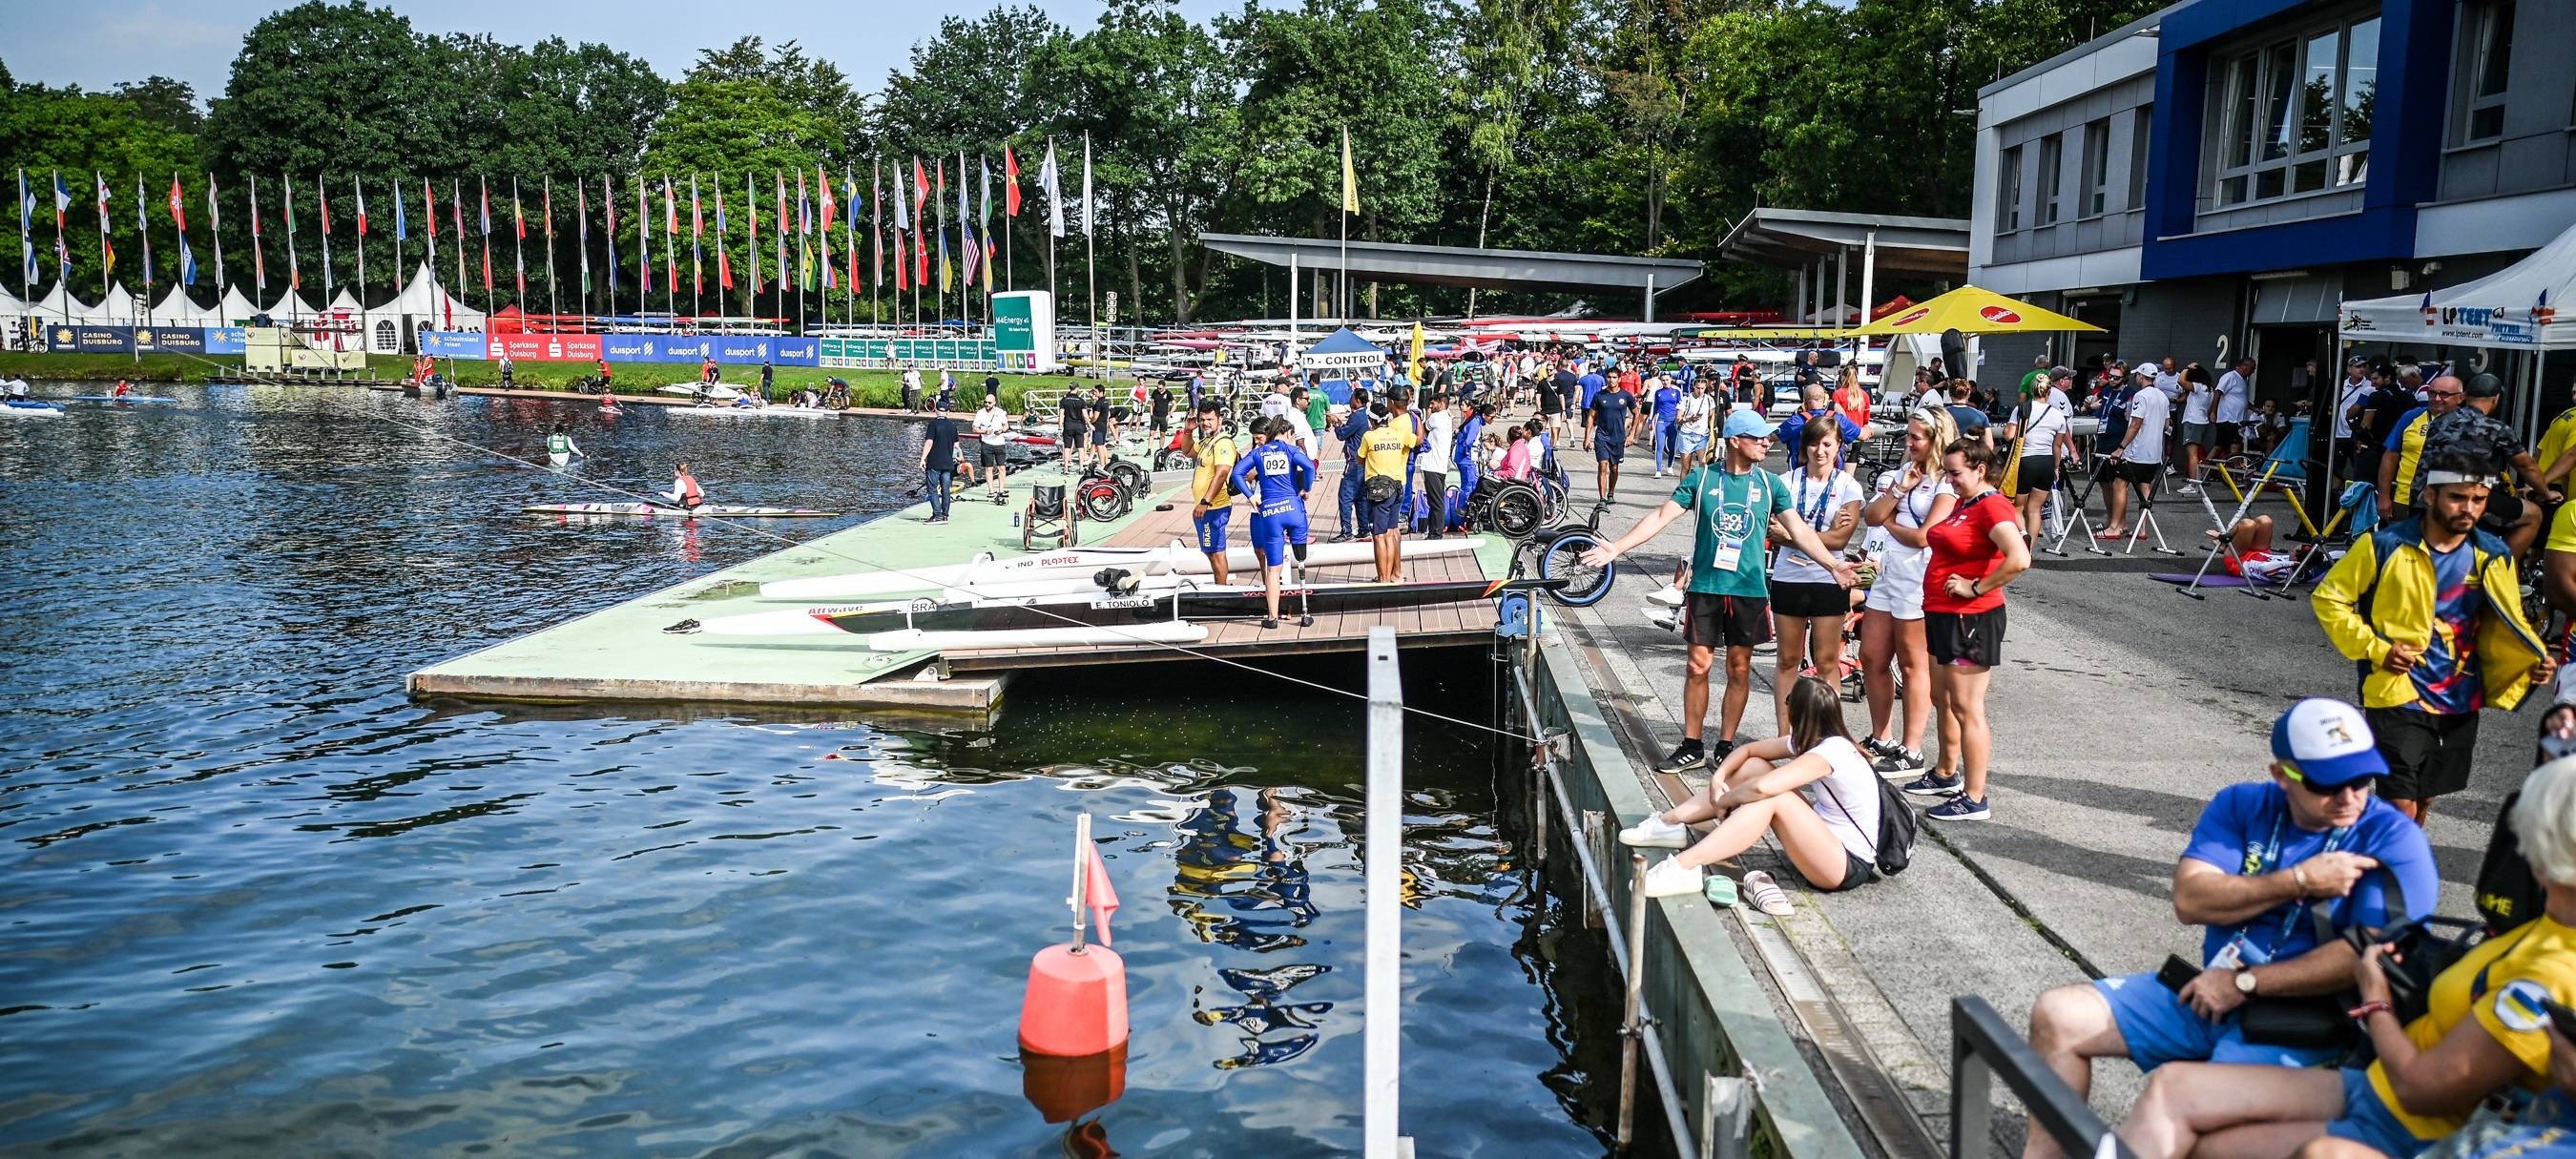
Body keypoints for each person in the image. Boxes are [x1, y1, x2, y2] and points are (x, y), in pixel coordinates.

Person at [2020, 697, 2437, 1159]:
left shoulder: (2394, 837)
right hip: (2212, 991)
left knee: (2185, 1103)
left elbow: (2368, 957)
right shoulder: (2243, 804)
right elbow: (2190, 899)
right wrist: (2299, 880)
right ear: (2283, 775)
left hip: (2304, 1019)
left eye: (2362, 779)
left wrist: (2246, 981)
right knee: (2059, 1016)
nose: (2350, 797)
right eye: (2327, 783)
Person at [2113, 754, 2576, 1159]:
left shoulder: (2546, 969)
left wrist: (2376, 1001)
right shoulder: (2547, 928)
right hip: (2374, 1089)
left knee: (2207, 1143)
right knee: (2174, 1091)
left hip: (2407, 1122)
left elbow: (2420, 1090)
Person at [1581, 409, 1860, 772]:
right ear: (1734, 441)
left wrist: (1833, 565)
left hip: (1748, 589)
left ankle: (1726, 744)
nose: (1765, 443)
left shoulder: (1770, 485)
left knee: (1739, 667)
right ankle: (1692, 745)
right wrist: (1616, 547)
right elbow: (1661, 516)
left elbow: (1801, 533)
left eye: (1766, 438)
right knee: (1698, 666)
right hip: (1706, 587)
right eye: (1757, 437)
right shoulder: (1701, 479)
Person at [2316, 452, 2555, 823]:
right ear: (2429, 495)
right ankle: (2390, 872)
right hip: (2398, 692)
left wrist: (2534, 657)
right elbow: (2330, 597)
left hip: (2460, 696)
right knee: (2400, 802)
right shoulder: (2384, 545)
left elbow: (2508, 618)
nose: (2469, 508)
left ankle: (2387, 858)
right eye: (2457, 497)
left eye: (2479, 499)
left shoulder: (2494, 555)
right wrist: (2376, 648)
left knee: (2424, 800)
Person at [1625, 675, 1889, 902]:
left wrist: (1726, 800)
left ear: (1797, 714)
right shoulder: (1819, 739)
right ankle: (1669, 822)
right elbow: (1749, 751)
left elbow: (1763, 789)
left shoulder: (1830, 753)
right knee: (1755, 766)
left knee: (1775, 798)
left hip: (1845, 864)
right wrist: (1720, 778)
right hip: (1826, 842)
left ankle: (1685, 867)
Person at [1901, 438, 2030, 822]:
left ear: (1979, 469)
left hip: (1971, 616)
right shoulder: (1966, 502)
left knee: (1967, 707)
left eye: (1956, 473)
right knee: (1944, 698)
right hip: (1944, 613)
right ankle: (1945, 772)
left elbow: (2019, 558)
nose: (1950, 480)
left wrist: (1976, 587)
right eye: (1947, 473)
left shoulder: (1992, 505)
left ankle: (1975, 797)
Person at [1859, 406, 1962, 778]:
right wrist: (1897, 493)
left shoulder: (1947, 483)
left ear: (1935, 440)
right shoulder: (1905, 472)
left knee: (1912, 663)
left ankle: (1912, 748)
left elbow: (1924, 537)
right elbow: (1871, 517)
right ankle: (1880, 736)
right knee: (1871, 655)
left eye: (1916, 437)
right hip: (1887, 572)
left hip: (1918, 577)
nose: (1909, 442)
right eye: (1909, 435)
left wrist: (1888, 517)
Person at [1772, 421, 1866, 735]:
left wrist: (1792, 534)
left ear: (1839, 445)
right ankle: (1785, 735)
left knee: (1826, 660)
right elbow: (1770, 532)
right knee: (1788, 659)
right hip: (1789, 576)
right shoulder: (1784, 481)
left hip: (1829, 577)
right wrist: (1821, 534)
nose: (1821, 450)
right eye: (1814, 444)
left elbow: (1841, 541)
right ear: (1805, 446)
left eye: (1828, 444)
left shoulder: (1848, 486)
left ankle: (1829, 735)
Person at [2415, 373, 2556, 556]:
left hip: (2424, 498)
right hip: (2464, 498)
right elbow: (2526, 466)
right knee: (2533, 514)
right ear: (2496, 398)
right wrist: (2545, 493)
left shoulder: (2439, 423)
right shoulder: (2496, 428)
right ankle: (2499, 572)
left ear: (2465, 396)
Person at [1230, 417, 1318, 630]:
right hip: (1294, 507)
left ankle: (1272, 617)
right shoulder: (1291, 450)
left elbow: (1237, 473)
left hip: (1270, 512)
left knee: (1273, 568)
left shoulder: (1259, 452)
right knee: (1301, 559)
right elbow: (1309, 467)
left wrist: (1251, 496)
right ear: (1287, 432)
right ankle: (1305, 612)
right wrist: (1306, 489)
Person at [2004, 368, 2079, 545]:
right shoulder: (2058, 415)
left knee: (2017, 508)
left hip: (2025, 461)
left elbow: (2009, 435)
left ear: (2032, 390)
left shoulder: (2022, 408)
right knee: (2035, 510)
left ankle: (2022, 534)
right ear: (2049, 391)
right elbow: (2057, 446)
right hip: (2046, 463)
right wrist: (2056, 467)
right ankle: (2029, 552)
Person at [2380, 375, 2467, 519]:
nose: (2437, 398)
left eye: (2444, 394)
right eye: (2432, 393)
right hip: (2405, 500)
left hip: (2448, 504)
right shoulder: (2410, 417)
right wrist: (2384, 496)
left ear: (2460, 397)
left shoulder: (2469, 424)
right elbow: (2390, 457)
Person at [1355, 401, 1422, 583]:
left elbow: (1359, 460)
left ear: (1372, 420)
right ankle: (1393, 575)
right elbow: (1419, 440)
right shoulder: (1398, 434)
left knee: (1379, 536)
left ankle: (1383, 579)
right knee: (1391, 533)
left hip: (1379, 490)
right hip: (1398, 486)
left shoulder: (1369, 437)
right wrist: (1418, 421)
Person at [2105, 366, 2171, 540]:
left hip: (2137, 451)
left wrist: (2120, 447)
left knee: (2120, 484)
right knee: (2145, 487)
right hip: (2155, 453)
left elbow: (2136, 424)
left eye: (2137, 375)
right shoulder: (2163, 397)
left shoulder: (2141, 396)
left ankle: (2114, 527)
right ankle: (2142, 529)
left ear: (2142, 376)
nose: (2136, 377)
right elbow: (2166, 425)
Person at [1189, 400, 1241, 585]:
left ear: (1220, 419)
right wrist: (1188, 431)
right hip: (1206, 508)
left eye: (1210, 419)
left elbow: (1222, 474)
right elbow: (1187, 450)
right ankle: (1221, 587)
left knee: (1217, 553)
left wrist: (1205, 502)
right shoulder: (1206, 441)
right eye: (1202, 419)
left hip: (1214, 507)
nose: (1206, 423)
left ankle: (1222, 591)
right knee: (1211, 552)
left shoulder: (1223, 443)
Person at [1778, 383, 1865, 472]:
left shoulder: (1795, 422)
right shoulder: (1838, 419)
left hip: (1802, 473)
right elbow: (1862, 435)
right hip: (1832, 473)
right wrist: (1868, 429)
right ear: (1824, 400)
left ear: (1804, 401)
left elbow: (1773, 435)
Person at [1588, 372, 1640, 501]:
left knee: (1614, 468)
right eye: (1609, 377)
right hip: (1602, 436)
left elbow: (1636, 413)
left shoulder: (1625, 396)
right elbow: (1591, 416)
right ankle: (1602, 499)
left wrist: (1631, 434)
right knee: (1602, 465)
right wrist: (1587, 437)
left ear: (1619, 379)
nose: (1611, 380)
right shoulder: (1599, 396)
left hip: (1618, 438)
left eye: (1614, 377)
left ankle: (1611, 493)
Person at [1419, 393, 1455, 540]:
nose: (1431, 406)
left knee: (1435, 501)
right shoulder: (1447, 417)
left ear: (1441, 403)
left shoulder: (1436, 418)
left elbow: (1423, 428)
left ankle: (1436, 533)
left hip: (1432, 466)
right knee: (1436, 500)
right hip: (1439, 465)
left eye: (1433, 404)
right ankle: (1434, 530)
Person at [920, 401, 961, 525]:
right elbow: (956, 446)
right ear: (947, 412)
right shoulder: (952, 426)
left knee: (932, 489)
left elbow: (929, 442)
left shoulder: (933, 425)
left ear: (936, 410)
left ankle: (937, 515)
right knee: (946, 490)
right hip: (948, 463)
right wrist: (958, 457)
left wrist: (922, 458)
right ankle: (944, 515)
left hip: (934, 462)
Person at [972, 393, 1012, 503]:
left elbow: (1006, 425)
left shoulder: (1000, 412)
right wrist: (985, 431)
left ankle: (1001, 490)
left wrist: (1002, 431)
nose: (987, 404)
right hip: (986, 443)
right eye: (985, 402)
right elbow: (974, 429)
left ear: (994, 403)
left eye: (989, 402)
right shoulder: (980, 413)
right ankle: (991, 490)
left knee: (1002, 467)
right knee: (988, 468)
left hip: (999, 443)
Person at [1651, 373, 1687, 477]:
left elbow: (1681, 406)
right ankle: (1658, 470)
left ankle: (1670, 466)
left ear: (1671, 379)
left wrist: (1680, 419)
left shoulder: (1676, 391)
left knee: (1672, 446)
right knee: (1660, 445)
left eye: (1667, 380)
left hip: (1673, 421)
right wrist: (1650, 421)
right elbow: (1655, 407)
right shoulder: (1658, 392)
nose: (1665, 382)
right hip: (1661, 420)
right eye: (1663, 380)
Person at [1057, 382, 1088, 475]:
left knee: (1067, 447)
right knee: (1080, 447)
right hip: (1079, 426)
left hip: (1068, 426)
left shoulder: (1064, 400)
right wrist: (1090, 424)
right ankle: (1081, 468)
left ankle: (1066, 468)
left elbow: (1061, 415)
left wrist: (1059, 428)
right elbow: (1085, 415)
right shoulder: (1081, 400)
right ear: (1077, 388)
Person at [1283, 386, 1320, 461]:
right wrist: (1307, 463)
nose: (1309, 401)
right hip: (1301, 465)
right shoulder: (1296, 417)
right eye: (1307, 399)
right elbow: (1300, 443)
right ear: (1298, 400)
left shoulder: (1297, 414)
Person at [1087, 384, 1117, 470]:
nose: (1095, 393)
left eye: (1096, 392)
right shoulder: (1106, 401)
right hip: (1103, 425)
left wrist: (1089, 422)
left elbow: (1095, 416)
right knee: (1102, 445)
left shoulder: (1099, 403)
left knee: (1099, 446)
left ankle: (1102, 465)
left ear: (1101, 392)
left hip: (1098, 425)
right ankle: (1106, 461)